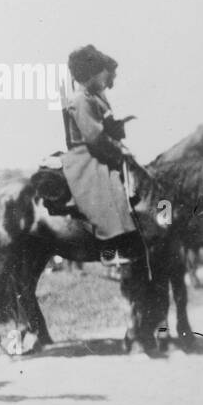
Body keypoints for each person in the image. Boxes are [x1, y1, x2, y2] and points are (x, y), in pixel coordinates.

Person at [61, 44, 140, 261]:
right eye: (104, 77)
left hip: (99, 151)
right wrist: (118, 150)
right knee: (112, 186)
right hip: (86, 156)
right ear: (92, 73)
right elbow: (94, 137)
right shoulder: (80, 99)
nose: (107, 82)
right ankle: (111, 246)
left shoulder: (94, 96)